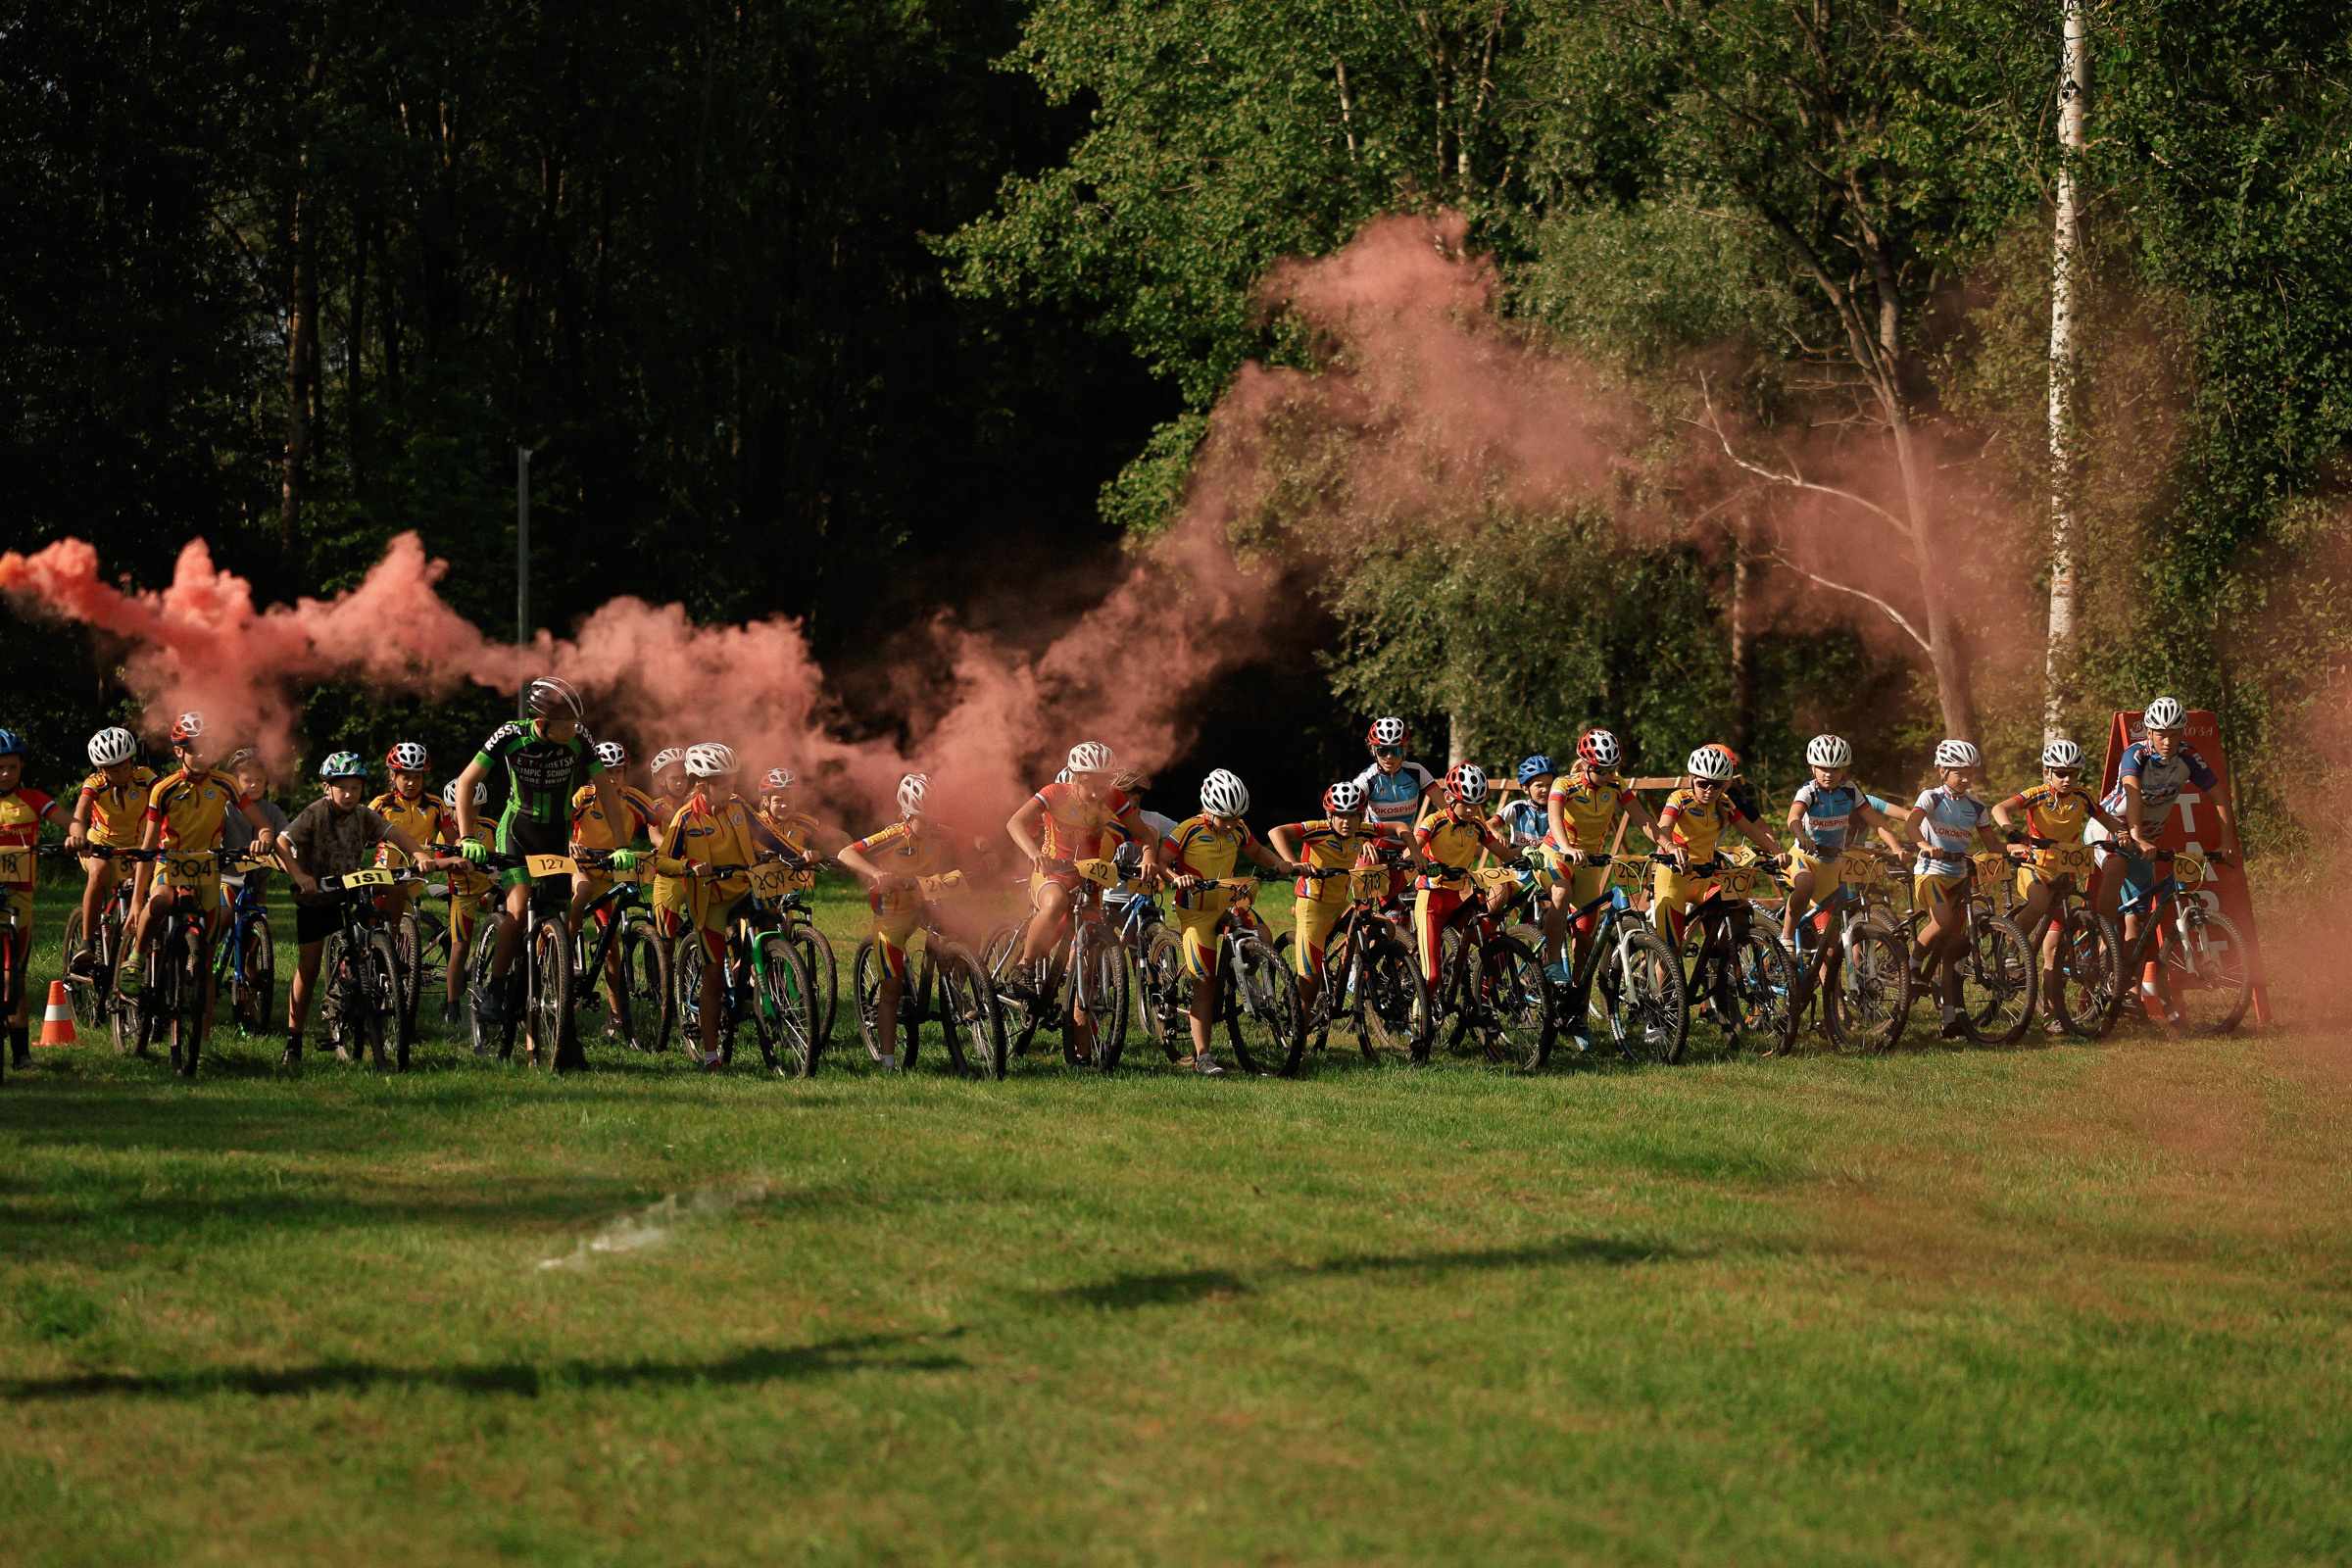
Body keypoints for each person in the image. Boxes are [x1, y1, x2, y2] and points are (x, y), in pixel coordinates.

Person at [450, 677, 627, 1034]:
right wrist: (467, 837)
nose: (574, 730)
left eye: (577, 723)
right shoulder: (510, 734)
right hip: (517, 831)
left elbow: (606, 791)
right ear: (543, 722)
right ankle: (496, 989)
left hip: (556, 836)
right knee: (518, 907)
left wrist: (622, 844)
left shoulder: (580, 739)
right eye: (567, 725)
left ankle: (548, 1000)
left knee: (557, 918)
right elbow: (466, 782)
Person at [277, 753, 447, 1065]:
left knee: (396, 886)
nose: (349, 794)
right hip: (316, 896)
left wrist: (420, 853)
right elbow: (282, 842)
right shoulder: (314, 814)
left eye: (355, 788)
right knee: (309, 968)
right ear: (327, 788)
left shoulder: (363, 815)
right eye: (342, 787)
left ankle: (386, 953)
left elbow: (396, 834)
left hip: (349, 888)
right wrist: (300, 876)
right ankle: (294, 1041)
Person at [2090, 695, 2239, 1022]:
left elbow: (2218, 794)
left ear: (2183, 732)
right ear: (2149, 732)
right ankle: (2103, 937)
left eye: (2175, 733)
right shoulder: (2136, 753)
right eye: (2161, 734)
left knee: (2139, 919)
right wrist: (2135, 835)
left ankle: (2127, 992)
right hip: (2112, 828)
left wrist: (2228, 840)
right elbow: (2130, 791)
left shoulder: (2188, 757)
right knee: (2115, 868)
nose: (2168, 741)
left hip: (2145, 839)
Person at [645, 743, 790, 1068]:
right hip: (710, 900)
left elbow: (768, 836)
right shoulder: (685, 818)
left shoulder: (738, 807)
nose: (730, 788)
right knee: (712, 974)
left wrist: (797, 855)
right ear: (702, 786)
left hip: (743, 887)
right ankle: (712, 1055)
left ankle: (762, 980)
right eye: (722, 783)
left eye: (732, 781)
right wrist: (688, 866)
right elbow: (663, 861)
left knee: (772, 922)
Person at [836, 773, 983, 1071]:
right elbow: (845, 853)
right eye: (923, 821)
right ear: (907, 815)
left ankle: (955, 988)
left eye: (933, 819)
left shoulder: (937, 831)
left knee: (971, 931)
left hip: (926, 902)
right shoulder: (891, 837)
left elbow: (971, 837)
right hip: (892, 914)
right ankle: (888, 1062)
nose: (930, 827)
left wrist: (986, 848)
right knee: (891, 988)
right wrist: (876, 874)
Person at [1164, 769, 1300, 1074]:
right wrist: (1176, 877)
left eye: (1236, 818)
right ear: (1207, 809)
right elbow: (1160, 861)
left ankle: (1245, 976)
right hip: (1195, 909)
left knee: (1263, 935)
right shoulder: (1187, 830)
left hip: (1227, 902)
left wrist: (1278, 862)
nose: (1230, 825)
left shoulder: (1238, 829)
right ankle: (1203, 1058)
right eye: (1224, 818)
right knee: (1205, 982)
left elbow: (1255, 849)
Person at [1991, 738, 2130, 1032]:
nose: (2067, 779)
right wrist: (2012, 832)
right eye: (2060, 773)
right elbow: (1998, 809)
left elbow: (2106, 819)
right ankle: (2008, 951)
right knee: (2039, 902)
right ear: (2047, 772)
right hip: (2035, 867)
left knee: (2053, 950)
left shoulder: (2083, 796)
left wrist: (2123, 833)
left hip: (2065, 872)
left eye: (2073, 774)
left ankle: (2052, 1014)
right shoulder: (2037, 794)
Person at [1004, 743, 1162, 990]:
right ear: (1075, 777)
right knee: (1055, 902)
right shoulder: (1056, 792)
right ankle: (1023, 967)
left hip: (1089, 881)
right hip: (1052, 872)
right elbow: (1015, 822)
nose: (1097, 794)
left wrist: (1149, 858)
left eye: (1103, 785)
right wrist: (1034, 853)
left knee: (1090, 952)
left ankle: (1078, 1013)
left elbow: (1145, 834)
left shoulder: (1112, 796)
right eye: (1090, 786)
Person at [1267, 779, 1408, 1024]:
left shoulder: (1363, 830)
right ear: (1329, 815)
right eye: (1340, 815)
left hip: (1341, 904)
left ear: (1361, 815)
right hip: (1312, 907)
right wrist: (1294, 863)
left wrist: (1414, 851)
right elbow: (1276, 832)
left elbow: (1399, 826)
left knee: (1376, 926)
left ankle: (1351, 977)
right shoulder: (1317, 829)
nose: (1347, 821)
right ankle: (1298, 1041)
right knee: (1309, 985)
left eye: (1353, 815)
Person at [1904, 739, 2008, 1039]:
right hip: (1930, 872)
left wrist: (2016, 849)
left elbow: (1992, 845)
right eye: (1958, 772)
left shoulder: (1976, 807)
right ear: (1942, 771)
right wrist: (1924, 845)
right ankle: (1911, 966)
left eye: (1970, 773)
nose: (1965, 778)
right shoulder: (1931, 797)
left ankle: (1949, 1020)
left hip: (1959, 877)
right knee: (1943, 921)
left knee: (1951, 951)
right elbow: (1911, 826)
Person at [1545, 729, 1658, 984]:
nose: (1607, 776)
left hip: (1590, 862)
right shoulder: (1564, 784)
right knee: (1561, 895)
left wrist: (1669, 847)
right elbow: (1554, 818)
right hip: (1557, 854)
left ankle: (1578, 1012)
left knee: (1585, 945)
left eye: (1612, 769)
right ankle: (1551, 961)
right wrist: (1566, 847)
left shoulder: (1616, 784)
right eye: (1601, 770)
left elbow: (1643, 820)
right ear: (1585, 765)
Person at [568, 740, 662, 1041]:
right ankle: (565, 953)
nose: (611, 777)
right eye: (605, 770)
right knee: (578, 897)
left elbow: (661, 824)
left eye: (618, 771)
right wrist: (567, 843)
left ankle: (617, 1018)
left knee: (612, 950)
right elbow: (561, 821)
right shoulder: (584, 795)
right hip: (580, 867)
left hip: (611, 873)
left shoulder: (634, 799)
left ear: (625, 772)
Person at [1652, 746, 1781, 947]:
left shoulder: (1725, 803)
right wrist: (1670, 847)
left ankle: (1718, 966)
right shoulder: (1680, 799)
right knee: (1671, 950)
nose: (1710, 790)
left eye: (1717, 785)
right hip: (1674, 876)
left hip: (1704, 876)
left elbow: (1752, 830)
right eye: (1703, 784)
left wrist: (1777, 851)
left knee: (1738, 911)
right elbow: (1663, 827)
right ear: (1692, 778)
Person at [1780, 734, 1899, 952]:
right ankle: (1786, 936)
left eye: (1835, 769)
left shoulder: (1850, 790)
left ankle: (1832, 987)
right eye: (1823, 768)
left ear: (1844, 769)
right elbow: (1793, 818)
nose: (1829, 774)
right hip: (1804, 857)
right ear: (1813, 768)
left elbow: (1876, 822)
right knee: (1805, 884)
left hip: (1831, 865)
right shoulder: (1809, 791)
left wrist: (1896, 848)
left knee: (1828, 943)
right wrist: (1802, 837)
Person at [0, 728, 72, 1068]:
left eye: (12, 767)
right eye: (0, 767)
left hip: (18, 897)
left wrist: (76, 836)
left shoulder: (32, 798)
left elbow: (69, 822)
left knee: (18, 975)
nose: (5, 774)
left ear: (21, 768)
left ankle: (21, 1056)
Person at [64, 728, 155, 980]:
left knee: (148, 884)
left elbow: (166, 798)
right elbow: (81, 809)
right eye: (113, 769)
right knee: (100, 872)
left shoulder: (145, 777)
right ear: (101, 769)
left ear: (132, 761)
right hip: (99, 845)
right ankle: (87, 944)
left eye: (125, 766)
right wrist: (77, 834)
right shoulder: (95, 784)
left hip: (135, 847)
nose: (121, 774)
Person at [368, 741, 445, 941]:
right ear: (393, 776)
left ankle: (399, 967)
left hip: (417, 873)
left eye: (417, 777)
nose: (412, 782)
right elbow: (359, 828)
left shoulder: (435, 805)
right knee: (371, 915)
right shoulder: (382, 803)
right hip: (385, 870)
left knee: (408, 934)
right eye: (406, 777)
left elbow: (453, 836)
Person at [438, 777, 496, 1028]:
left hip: (492, 890)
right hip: (463, 895)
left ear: (479, 808)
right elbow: (436, 857)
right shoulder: (446, 832)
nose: (461, 812)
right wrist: (453, 858)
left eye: (472, 807)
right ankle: (452, 1004)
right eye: (454, 808)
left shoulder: (490, 827)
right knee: (460, 948)